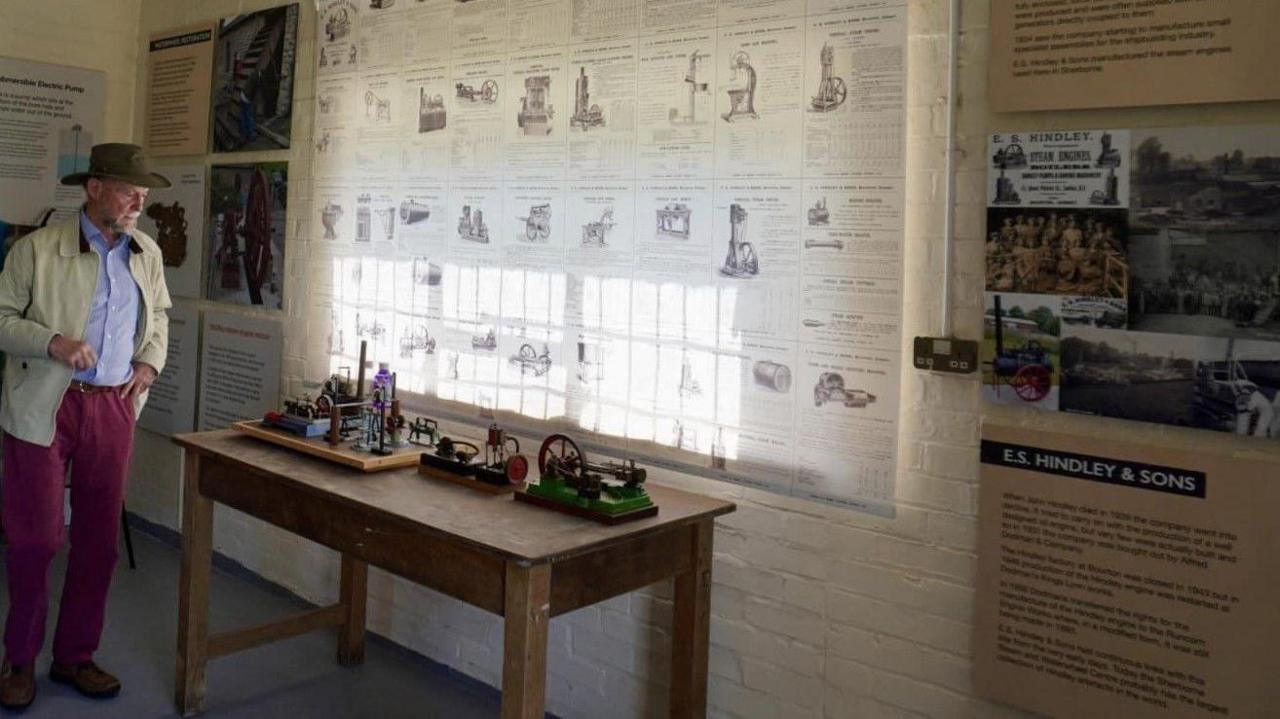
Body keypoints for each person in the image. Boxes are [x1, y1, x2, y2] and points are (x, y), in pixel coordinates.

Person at [0, 143, 172, 710]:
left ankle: (74, 657)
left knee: (98, 542)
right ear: (94, 188)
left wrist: (149, 362)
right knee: (36, 539)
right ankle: (19, 659)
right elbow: (1, 319)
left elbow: (160, 320)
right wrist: (51, 342)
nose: (138, 203)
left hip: (113, 406)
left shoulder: (145, 252)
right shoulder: (37, 250)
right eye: (128, 191)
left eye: (143, 194)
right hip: (45, 403)